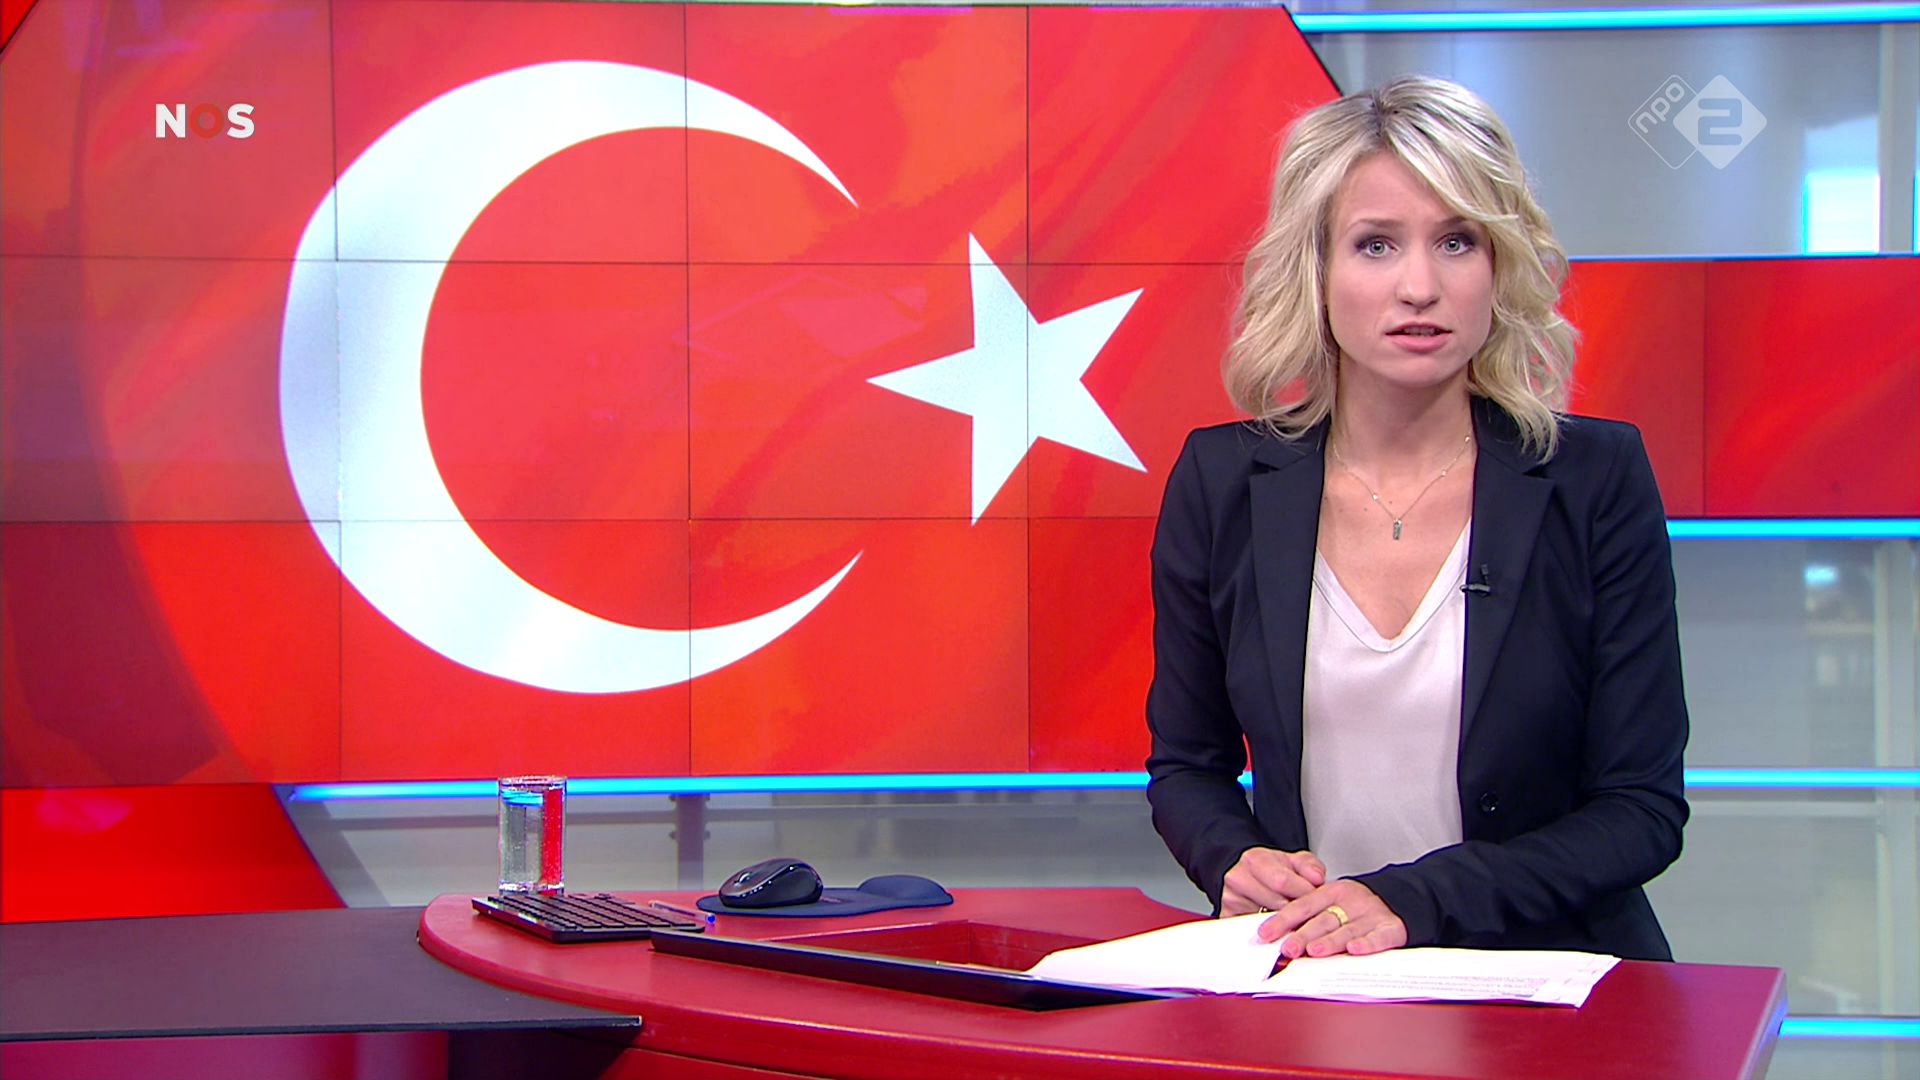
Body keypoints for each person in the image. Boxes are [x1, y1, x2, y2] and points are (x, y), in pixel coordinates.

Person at [1145, 75, 1689, 963]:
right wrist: (1232, 857)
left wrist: (1415, 901)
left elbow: (1641, 809)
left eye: (1457, 241)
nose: (1420, 286)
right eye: (1376, 245)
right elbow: (1186, 767)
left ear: (1499, 267)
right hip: (1311, 975)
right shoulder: (1223, 482)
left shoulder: (1594, 478)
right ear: (1316, 270)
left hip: (1542, 976)